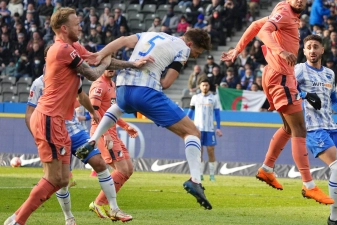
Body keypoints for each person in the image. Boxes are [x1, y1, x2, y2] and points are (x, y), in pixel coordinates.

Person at [3, 7, 150, 225]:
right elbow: (93, 73)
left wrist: (132, 64)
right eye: (76, 23)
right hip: (49, 117)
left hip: (60, 121)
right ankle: (18, 220)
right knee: (55, 177)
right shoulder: (62, 49)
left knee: (62, 179)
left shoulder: (73, 47)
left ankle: (18, 219)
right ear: (64, 28)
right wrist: (107, 62)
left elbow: (97, 59)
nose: (80, 26)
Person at [77, 28, 213, 210]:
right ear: (190, 44)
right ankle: (195, 180)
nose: (196, 55)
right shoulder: (184, 49)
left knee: (119, 107)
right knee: (192, 132)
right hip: (146, 90)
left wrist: (100, 54)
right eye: (198, 52)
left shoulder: (152, 34)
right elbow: (166, 83)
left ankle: (91, 141)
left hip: (123, 86)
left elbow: (123, 40)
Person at [220, 0, 333, 204]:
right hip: (280, 75)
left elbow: (256, 25)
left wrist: (237, 50)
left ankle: (267, 169)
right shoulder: (285, 11)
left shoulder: (285, 11)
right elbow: (263, 32)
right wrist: (281, 52)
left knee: (289, 128)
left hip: (275, 74)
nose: (299, 0)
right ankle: (309, 186)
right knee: (299, 128)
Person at [296, 34, 337, 225]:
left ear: (322, 50)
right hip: (313, 128)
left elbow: (333, 99)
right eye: (309, 47)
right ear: (304, 51)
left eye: (316, 47)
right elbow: (284, 90)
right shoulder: (299, 70)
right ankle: (334, 218)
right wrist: (305, 94)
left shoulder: (329, 73)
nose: (312, 50)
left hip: (331, 127)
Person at [88, 69, 137, 219]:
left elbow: (112, 113)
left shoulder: (113, 85)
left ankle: (107, 205)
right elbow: (93, 111)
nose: (110, 68)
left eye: (113, 65)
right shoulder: (99, 85)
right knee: (122, 170)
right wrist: (105, 133)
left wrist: (125, 126)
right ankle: (100, 203)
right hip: (103, 133)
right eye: (107, 65)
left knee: (128, 169)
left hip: (113, 132)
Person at [187, 79, 223, 182]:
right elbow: (190, 112)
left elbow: (217, 114)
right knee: (199, 152)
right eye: (203, 85)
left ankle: (212, 175)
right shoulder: (195, 98)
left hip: (210, 129)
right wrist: (186, 125)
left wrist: (219, 128)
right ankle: (201, 174)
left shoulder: (214, 98)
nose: (205, 87)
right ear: (200, 86)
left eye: (206, 85)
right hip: (197, 129)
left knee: (211, 151)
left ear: (209, 86)